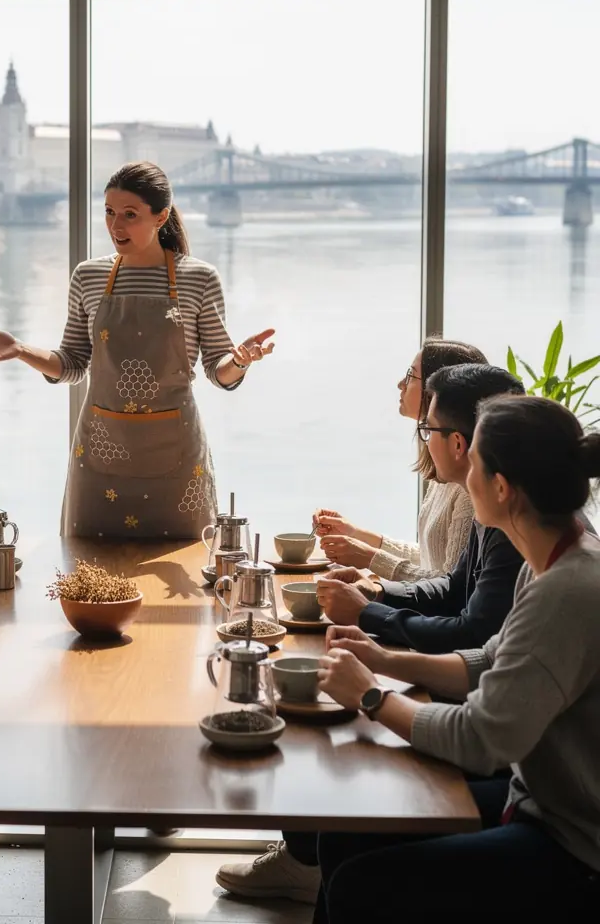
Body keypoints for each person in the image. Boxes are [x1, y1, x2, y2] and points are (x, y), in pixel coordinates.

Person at [217, 362, 526, 906]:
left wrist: (372, 688)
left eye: (428, 432)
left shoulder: (554, 575)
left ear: (473, 455)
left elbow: (482, 724)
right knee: (342, 795)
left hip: (547, 820)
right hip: (522, 780)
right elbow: (473, 630)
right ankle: (302, 859)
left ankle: (305, 864)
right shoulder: (518, 531)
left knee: (355, 836)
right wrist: (376, 617)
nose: (425, 447)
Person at [314, 395, 600, 922]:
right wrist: (383, 658)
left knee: (362, 886)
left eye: (476, 464)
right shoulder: (551, 557)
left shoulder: (568, 590)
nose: (465, 475)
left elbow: (479, 738)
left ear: (500, 487)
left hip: (572, 845)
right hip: (533, 797)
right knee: (344, 829)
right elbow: (487, 660)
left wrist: (371, 696)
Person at [0, 161, 276, 538]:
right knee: (90, 568)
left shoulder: (199, 278)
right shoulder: (88, 276)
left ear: (160, 217)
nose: (116, 226)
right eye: (109, 213)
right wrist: (19, 350)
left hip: (176, 458)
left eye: (130, 214)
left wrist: (239, 361)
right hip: (99, 454)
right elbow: (74, 364)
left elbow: (218, 370)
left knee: (184, 575)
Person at [316, 363, 527, 652]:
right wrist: (376, 592)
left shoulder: (514, 523)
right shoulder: (493, 500)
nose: (424, 442)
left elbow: (471, 634)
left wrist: (367, 614)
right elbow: (453, 589)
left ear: (457, 443)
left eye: (427, 429)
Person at [313, 339, 488, 581]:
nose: (400, 384)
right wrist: (355, 534)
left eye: (410, 375)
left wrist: (370, 558)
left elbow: (450, 587)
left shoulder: (467, 487)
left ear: (435, 390)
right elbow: (429, 556)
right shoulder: (445, 468)